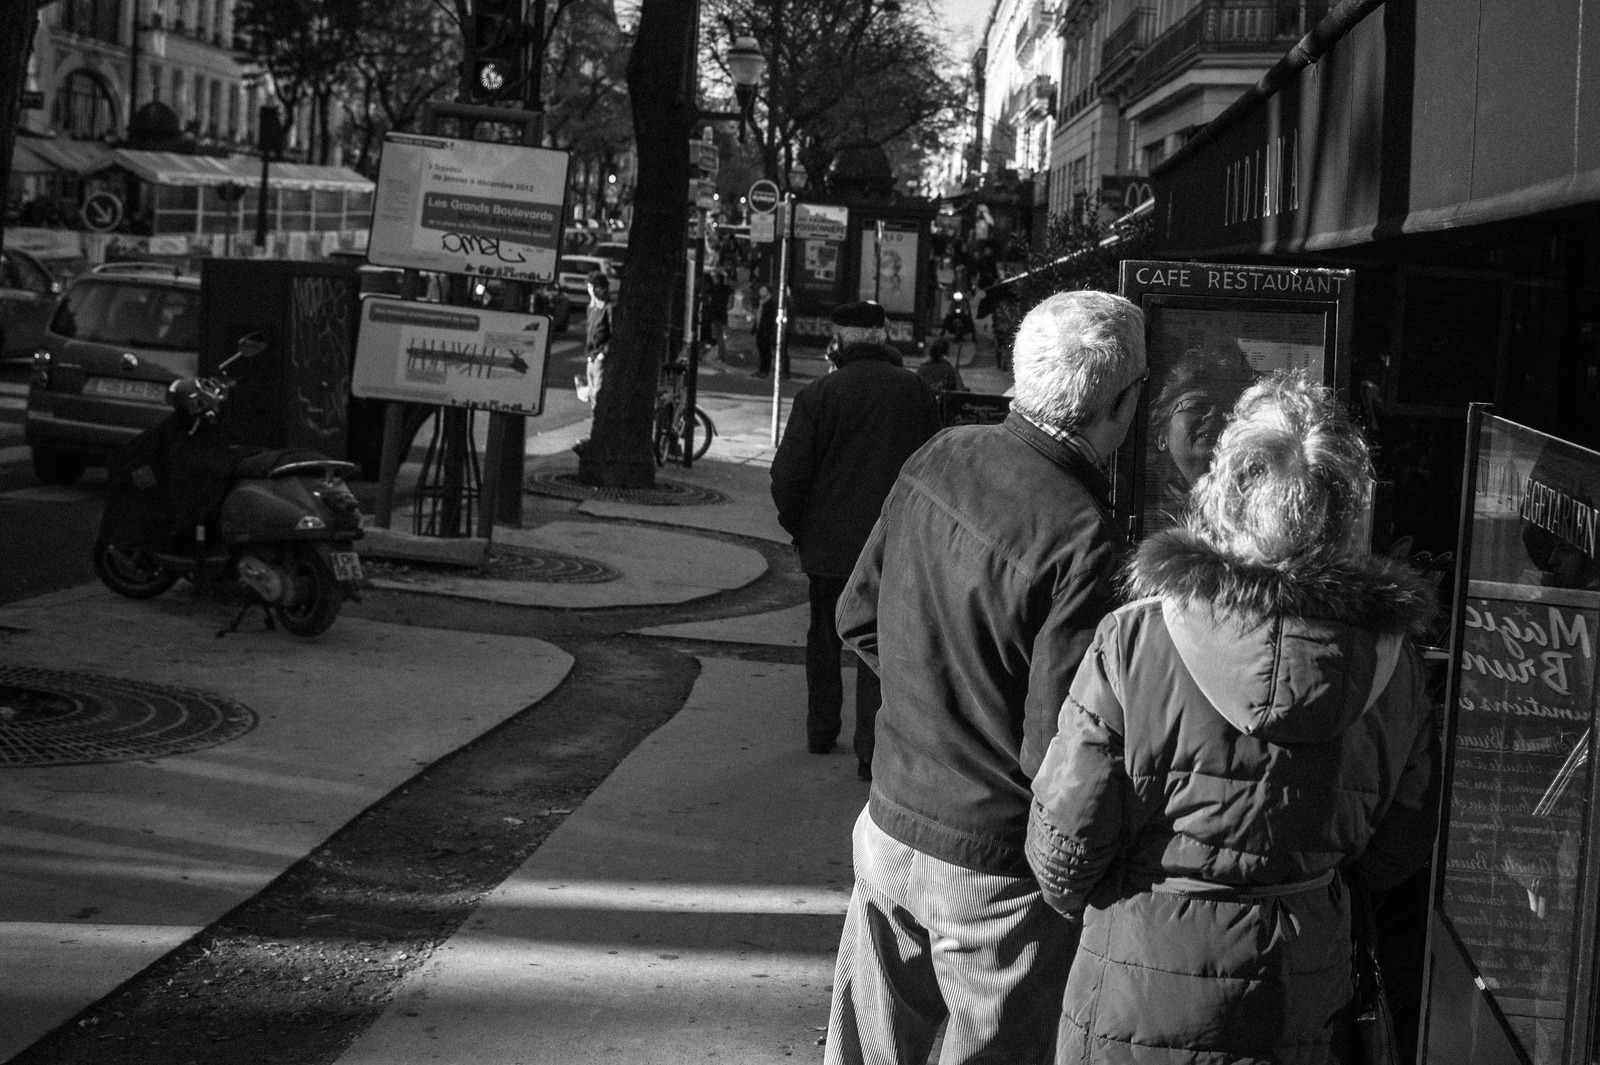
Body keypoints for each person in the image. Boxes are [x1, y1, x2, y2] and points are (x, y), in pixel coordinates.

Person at [1027, 372, 1440, 1065]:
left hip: (1140, 984)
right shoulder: (1394, 665)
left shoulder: (1136, 638)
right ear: (1345, 511)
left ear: (1226, 489)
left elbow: (1064, 855)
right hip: (1299, 991)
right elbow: (1398, 850)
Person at [824, 290, 1147, 1065]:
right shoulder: (1083, 534)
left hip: (890, 826)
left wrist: (932, 703)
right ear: (1119, 404)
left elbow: (856, 615)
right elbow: (1056, 747)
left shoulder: (943, 454)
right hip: (992, 870)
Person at [770, 300, 941, 780]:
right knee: (879, 646)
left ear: (838, 340)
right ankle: (871, 750)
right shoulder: (915, 392)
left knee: (824, 638)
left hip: (827, 548)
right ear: (883, 338)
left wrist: (799, 526)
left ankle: (821, 730)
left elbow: (787, 477)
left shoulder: (819, 394)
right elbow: (933, 467)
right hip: (893, 545)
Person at [1145, 341, 1256, 531]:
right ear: (1161, 436)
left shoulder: (1250, 503)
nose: (1213, 415)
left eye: (1225, 410)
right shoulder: (1145, 506)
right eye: (1197, 406)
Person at [575, 270, 613, 406]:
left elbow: (613, 333)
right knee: (592, 392)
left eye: (594, 288)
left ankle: (599, 420)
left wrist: (603, 353)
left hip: (601, 356)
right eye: (590, 288)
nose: (591, 291)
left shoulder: (608, 308)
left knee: (598, 392)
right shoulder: (591, 308)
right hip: (591, 354)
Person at [752, 282, 784, 379]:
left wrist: (767, 330)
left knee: (766, 351)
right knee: (761, 350)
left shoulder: (771, 304)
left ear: (769, 293)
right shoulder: (761, 303)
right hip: (759, 330)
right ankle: (761, 370)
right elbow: (758, 317)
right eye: (761, 290)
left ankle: (765, 371)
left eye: (764, 290)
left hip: (766, 331)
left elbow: (769, 319)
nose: (761, 292)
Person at [700, 270, 731, 365]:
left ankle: (721, 356)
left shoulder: (715, 289)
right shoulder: (725, 289)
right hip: (721, 315)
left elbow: (714, 301)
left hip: (716, 315)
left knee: (718, 336)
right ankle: (721, 355)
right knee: (719, 336)